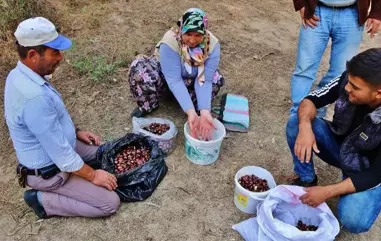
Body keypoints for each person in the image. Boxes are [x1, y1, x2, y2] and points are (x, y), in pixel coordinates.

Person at [4, 17, 120, 219]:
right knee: (109, 203)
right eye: (54, 52)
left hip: (62, 148)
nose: (60, 57)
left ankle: (81, 173)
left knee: (108, 153)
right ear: (32, 55)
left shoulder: (22, 74)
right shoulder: (33, 97)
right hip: (50, 171)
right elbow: (63, 157)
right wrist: (93, 176)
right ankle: (41, 200)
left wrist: (75, 132)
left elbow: (54, 118)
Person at [286, 48, 381, 233]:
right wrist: (305, 127)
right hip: (340, 146)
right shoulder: (349, 79)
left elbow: (375, 175)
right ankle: (307, 179)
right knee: (296, 123)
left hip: (365, 170)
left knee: (354, 220)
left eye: (355, 87)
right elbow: (311, 99)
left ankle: (350, 195)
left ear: (379, 94)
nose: (348, 88)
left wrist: (328, 191)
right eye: (349, 82)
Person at [128, 8, 224, 140]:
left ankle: (195, 108)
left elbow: (204, 80)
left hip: (190, 80)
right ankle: (149, 104)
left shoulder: (212, 45)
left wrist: (205, 111)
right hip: (165, 78)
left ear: (205, 32)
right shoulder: (170, 41)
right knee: (140, 69)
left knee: (215, 78)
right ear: (181, 28)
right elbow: (174, 80)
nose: (192, 40)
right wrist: (190, 112)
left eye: (198, 35)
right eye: (188, 34)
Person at [290, 0, 381, 115]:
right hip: (316, 9)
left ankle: (317, 110)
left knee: (340, 72)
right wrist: (300, 3)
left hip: (352, 13)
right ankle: (297, 114)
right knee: (304, 68)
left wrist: (377, 12)